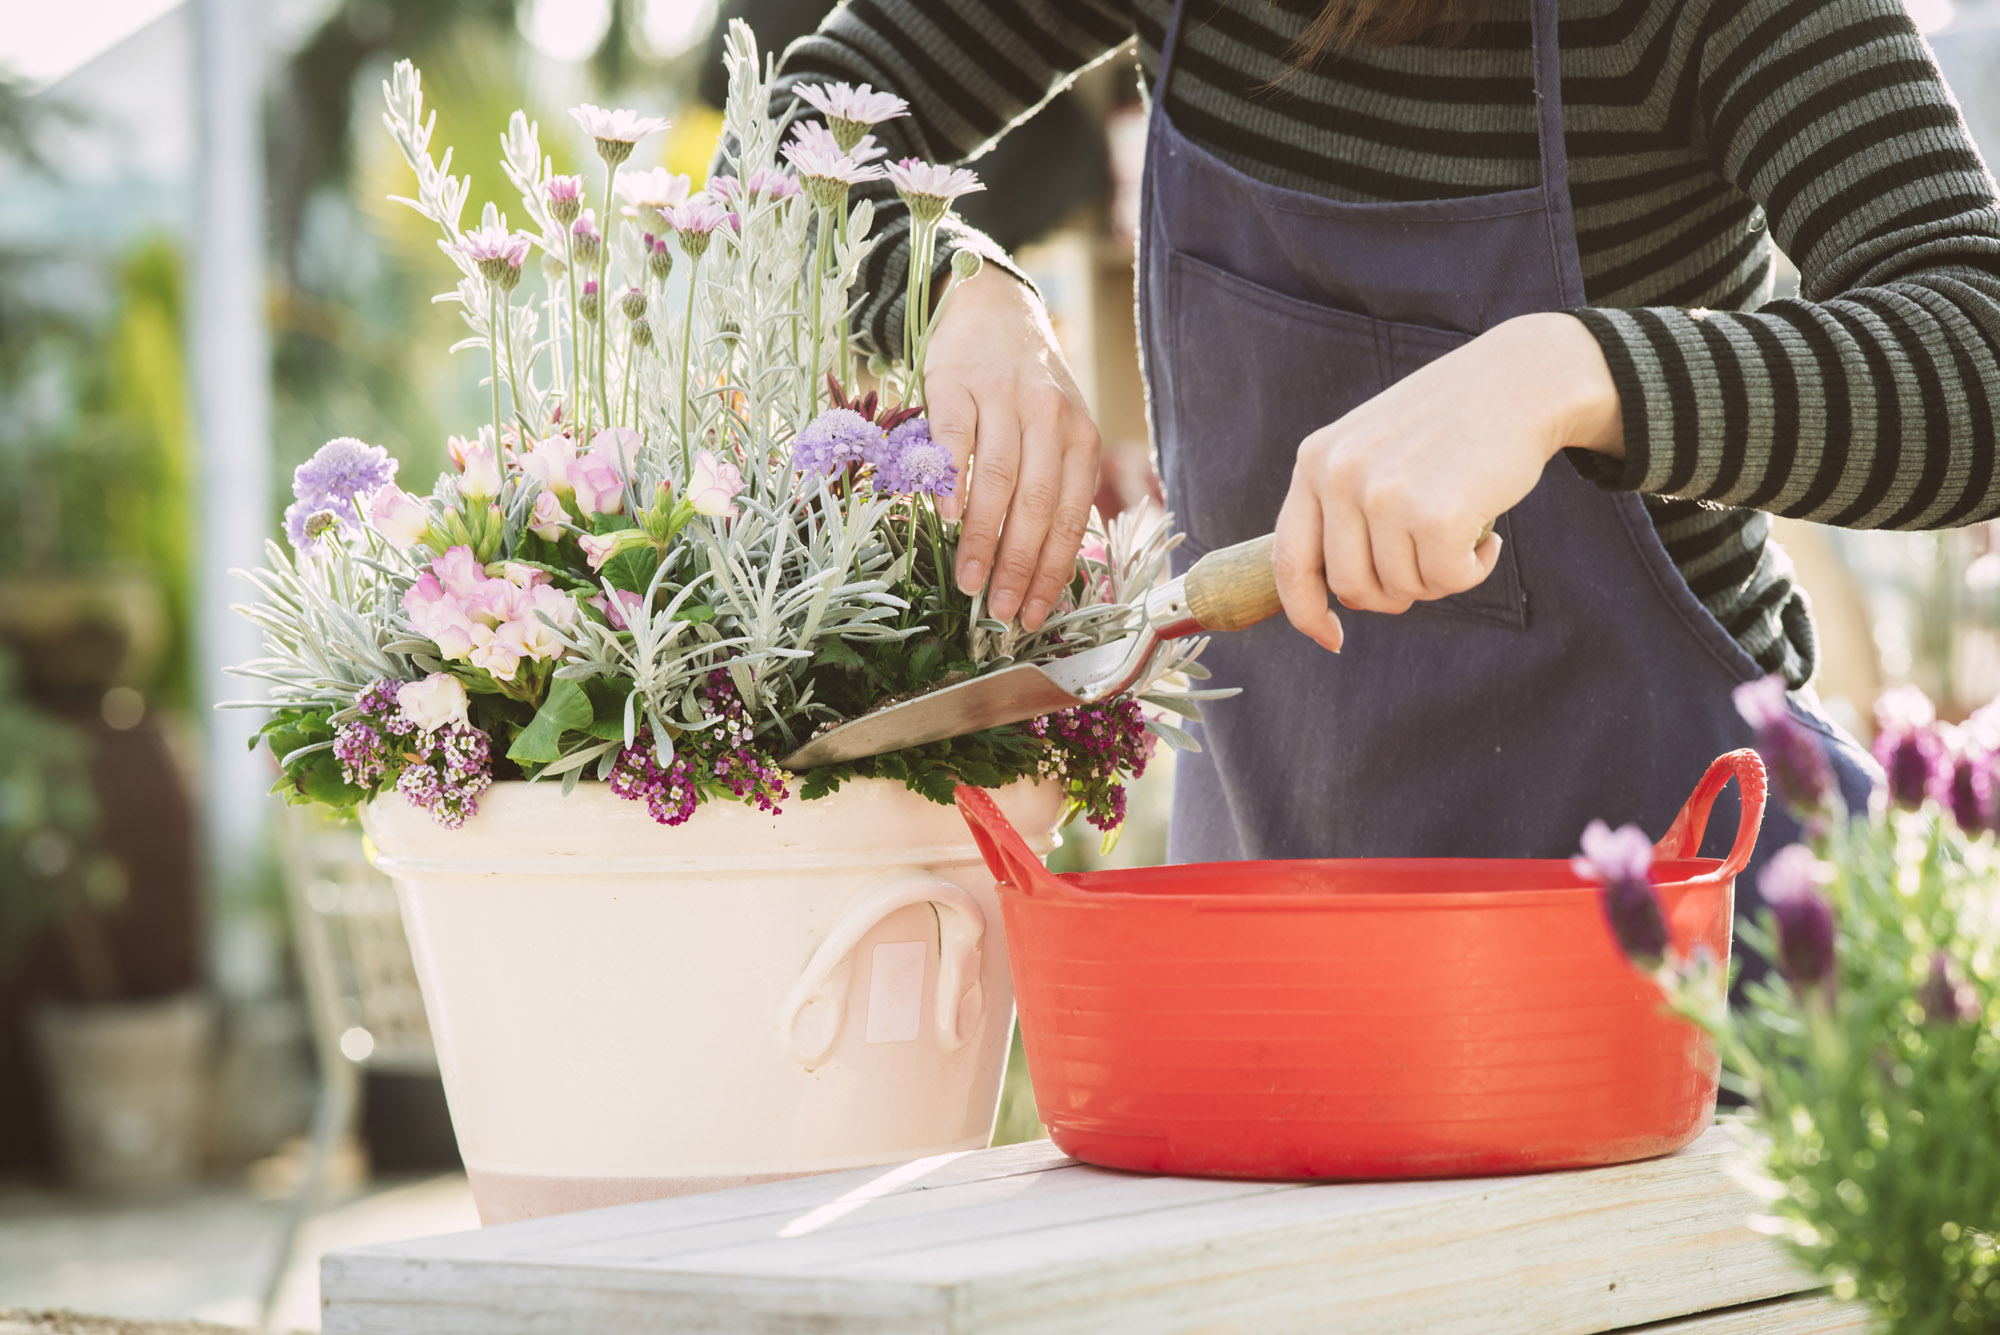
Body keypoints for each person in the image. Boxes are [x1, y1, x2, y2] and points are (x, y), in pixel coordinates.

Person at [769, 0, 2000, 909]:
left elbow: (1977, 359)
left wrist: (1568, 374)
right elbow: (794, 132)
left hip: (1690, 968)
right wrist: (946, 284)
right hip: (1275, 933)